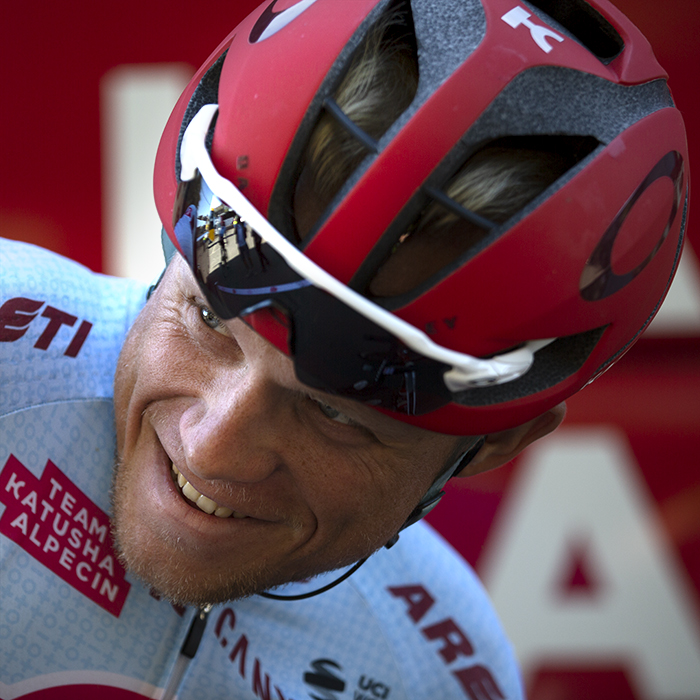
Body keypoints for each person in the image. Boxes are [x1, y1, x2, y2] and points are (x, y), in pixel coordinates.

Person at [0, 1, 688, 699]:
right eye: (208, 317)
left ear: (497, 443)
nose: (212, 448)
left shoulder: (439, 673)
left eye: (334, 414)